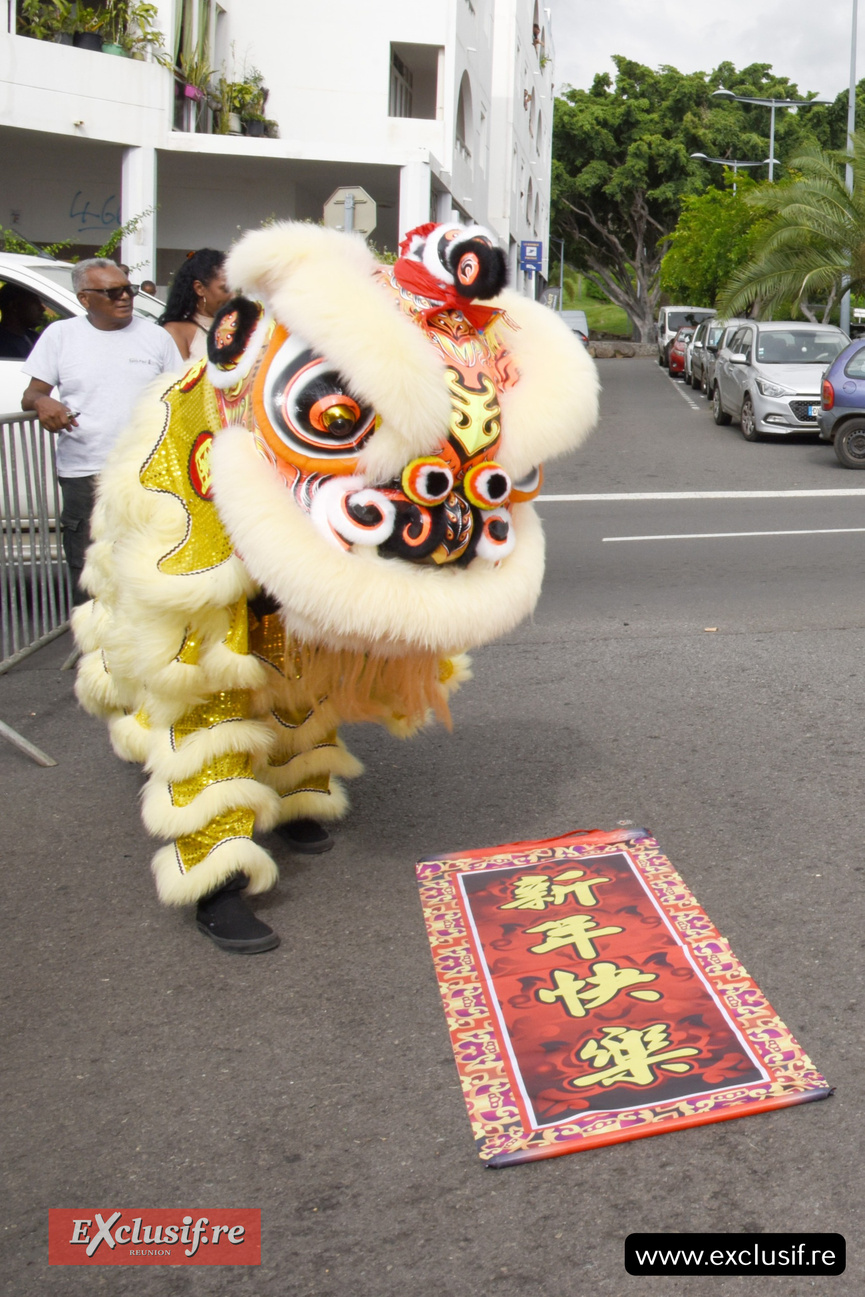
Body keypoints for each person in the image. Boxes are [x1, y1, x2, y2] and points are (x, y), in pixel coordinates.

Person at [21, 257, 182, 603]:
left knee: (149, 567)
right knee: (90, 573)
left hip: (147, 474)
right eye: (112, 292)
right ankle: (95, 652)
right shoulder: (61, 335)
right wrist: (43, 403)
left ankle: (146, 652)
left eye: (129, 289)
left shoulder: (156, 337)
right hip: (85, 472)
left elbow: (181, 401)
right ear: (84, 298)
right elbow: (32, 394)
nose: (125, 297)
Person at [159, 248, 231, 362]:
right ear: (200, 288)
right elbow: (179, 378)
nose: (233, 296)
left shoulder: (241, 326)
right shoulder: (175, 331)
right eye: (226, 289)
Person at [0, 283, 45, 358]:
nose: (42, 309)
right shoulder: (3, 345)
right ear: (14, 305)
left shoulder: (33, 337)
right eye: (35, 302)